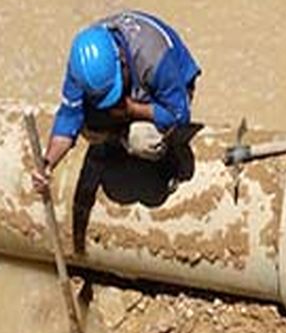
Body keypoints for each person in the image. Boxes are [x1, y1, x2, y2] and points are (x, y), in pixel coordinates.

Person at [32, 10, 201, 196]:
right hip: (130, 94)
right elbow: (68, 117)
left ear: (122, 62)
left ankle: (165, 161)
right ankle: (118, 141)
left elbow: (179, 115)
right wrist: (47, 165)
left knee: (141, 140)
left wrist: (131, 109)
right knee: (88, 125)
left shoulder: (156, 59)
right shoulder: (84, 64)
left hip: (173, 88)